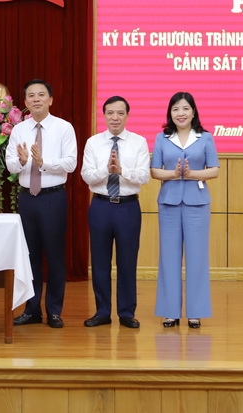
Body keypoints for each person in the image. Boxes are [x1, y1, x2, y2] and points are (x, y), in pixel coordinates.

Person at [6, 79, 77, 328]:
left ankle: (54, 311)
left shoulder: (64, 128)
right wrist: (25, 161)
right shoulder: (19, 130)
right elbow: (10, 165)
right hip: (28, 199)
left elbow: (70, 164)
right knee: (30, 256)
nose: (36, 99)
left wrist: (43, 161)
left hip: (53, 198)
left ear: (50, 100)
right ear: (25, 102)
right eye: (31, 96)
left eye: (41, 95)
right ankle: (32, 309)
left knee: (56, 256)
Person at [150, 92, 219, 329]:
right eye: (176, 109)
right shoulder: (162, 138)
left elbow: (214, 170)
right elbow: (155, 171)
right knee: (168, 258)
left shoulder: (205, 138)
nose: (181, 113)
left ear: (193, 112)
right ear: (170, 113)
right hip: (169, 202)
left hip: (197, 203)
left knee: (197, 258)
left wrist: (191, 175)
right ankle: (170, 312)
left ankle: (195, 312)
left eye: (185, 108)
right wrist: (174, 174)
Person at [81, 96, 151, 329]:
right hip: (100, 206)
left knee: (127, 262)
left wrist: (122, 170)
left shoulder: (138, 142)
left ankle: (126, 313)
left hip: (128, 207)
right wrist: (106, 169)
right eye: (110, 113)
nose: (115, 117)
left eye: (120, 113)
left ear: (127, 116)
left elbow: (144, 176)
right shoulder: (93, 142)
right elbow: (87, 176)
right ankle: (102, 312)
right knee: (100, 262)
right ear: (104, 115)